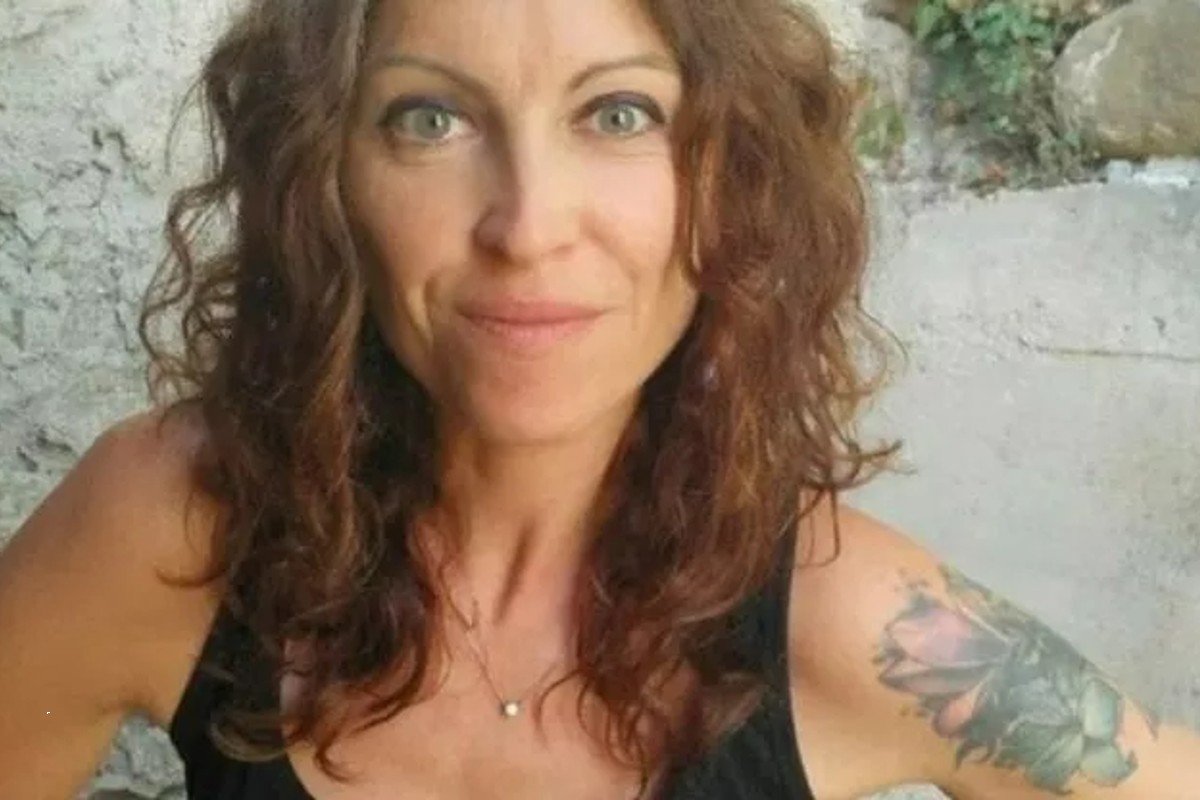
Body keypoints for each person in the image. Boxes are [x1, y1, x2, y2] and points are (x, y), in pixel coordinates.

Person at [0, 0, 1196, 797]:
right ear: (327, 177)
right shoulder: (170, 525)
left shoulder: (862, 625)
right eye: (430, 117)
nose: (527, 226)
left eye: (619, 113)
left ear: (730, 179)